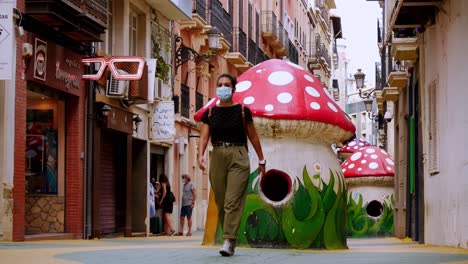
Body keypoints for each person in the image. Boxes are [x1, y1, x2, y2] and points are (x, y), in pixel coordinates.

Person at [198, 73, 266, 257]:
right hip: (218, 154)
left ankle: (228, 239)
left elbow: (253, 136)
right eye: (219, 84)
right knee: (221, 201)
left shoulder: (243, 111)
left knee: (232, 201)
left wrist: (261, 160)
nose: (222, 88)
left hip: (239, 155)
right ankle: (230, 238)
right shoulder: (210, 112)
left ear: (233, 89)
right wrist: (200, 155)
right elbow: (204, 137)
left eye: (227, 85)